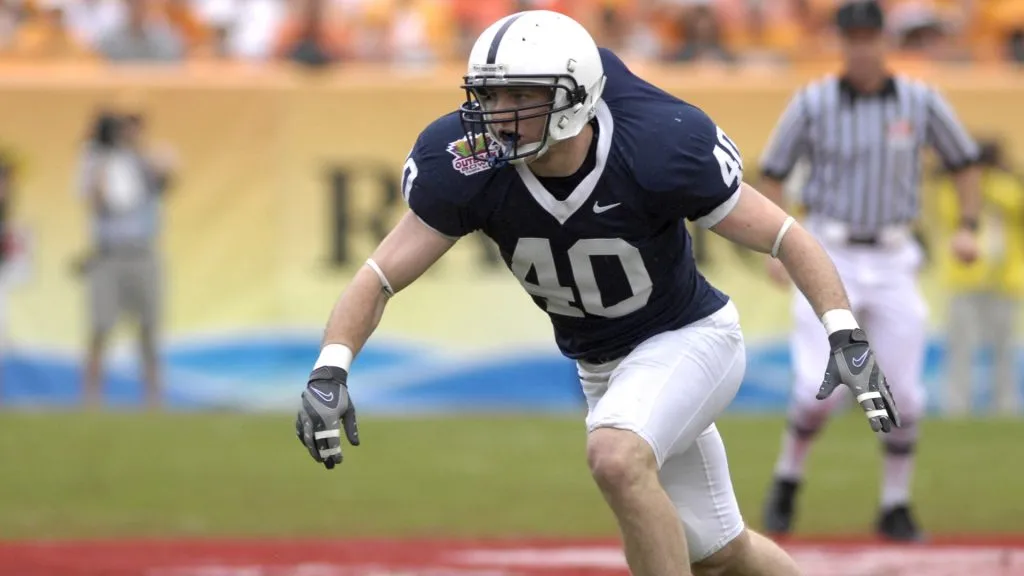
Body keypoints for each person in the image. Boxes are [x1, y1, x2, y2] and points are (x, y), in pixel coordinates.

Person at [295, 10, 901, 576]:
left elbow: (787, 236)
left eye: (520, 96)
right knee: (720, 553)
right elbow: (378, 277)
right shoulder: (468, 165)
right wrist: (330, 369)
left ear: (574, 98)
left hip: (691, 337)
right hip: (602, 367)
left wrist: (844, 332)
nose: (498, 115)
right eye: (491, 95)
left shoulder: (655, 147)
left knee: (615, 457)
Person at [758, 0, 981, 542]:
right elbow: (773, 172)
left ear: (884, 40)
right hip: (828, 250)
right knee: (819, 388)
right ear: (842, 43)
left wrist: (969, 224)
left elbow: (963, 160)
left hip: (893, 253)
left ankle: (895, 503)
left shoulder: (919, 100)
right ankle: (788, 478)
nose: (861, 48)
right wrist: (776, 247)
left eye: (869, 37)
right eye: (852, 38)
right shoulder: (812, 102)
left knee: (902, 392)